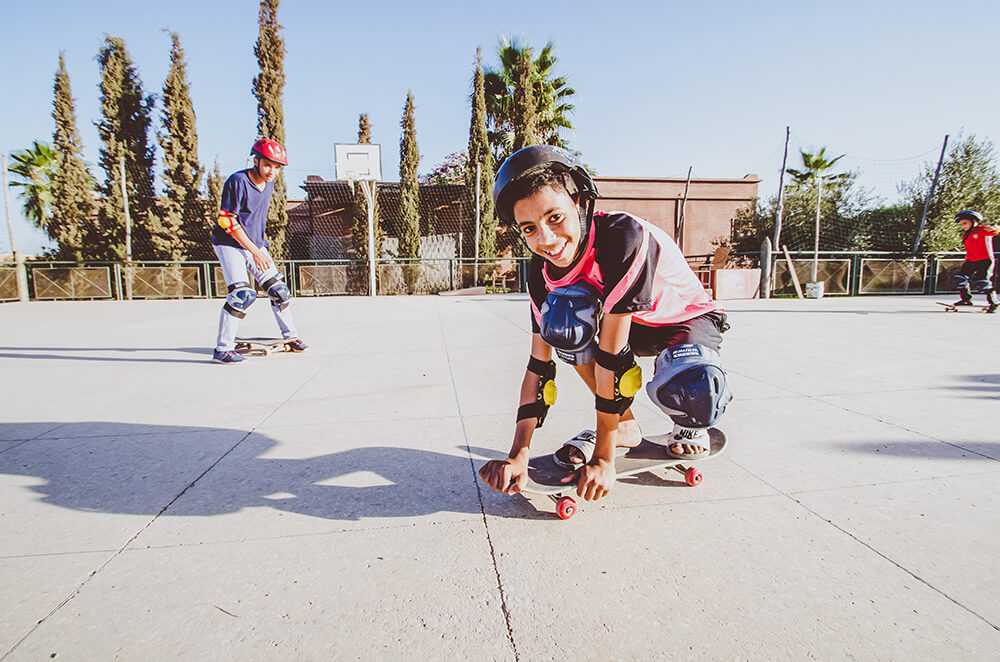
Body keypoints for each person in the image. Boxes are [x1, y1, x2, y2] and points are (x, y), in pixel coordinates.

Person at [478, 146, 732, 502]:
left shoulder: (624, 237)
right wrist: (518, 452)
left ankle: (691, 425)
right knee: (566, 326)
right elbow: (539, 364)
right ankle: (625, 425)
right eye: (529, 228)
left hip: (685, 320)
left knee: (690, 385)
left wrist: (603, 455)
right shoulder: (542, 272)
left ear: (580, 202)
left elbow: (612, 356)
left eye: (555, 218)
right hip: (632, 324)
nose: (546, 240)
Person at [211, 138, 309, 363]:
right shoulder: (238, 181)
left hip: (256, 245)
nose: (271, 171)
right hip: (230, 245)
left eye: (276, 167)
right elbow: (226, 221)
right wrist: (254, 251)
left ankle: (291, 337)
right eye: (267, 165)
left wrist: (258, 248)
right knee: (241, 295)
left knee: (280, 291)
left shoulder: (270, 184)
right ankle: (222, 349)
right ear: (255, 161)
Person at [951, 210, 999, 313]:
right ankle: (966, 299)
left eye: (965, 223)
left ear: (974, 221)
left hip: (985, 260)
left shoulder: (982, 230)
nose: (963, 226)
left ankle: (993, 302)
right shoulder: (966, 234)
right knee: (960, 279)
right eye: (961, 224)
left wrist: (995, 228)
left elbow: (995, 231)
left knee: (983, 283)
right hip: (971, 260)